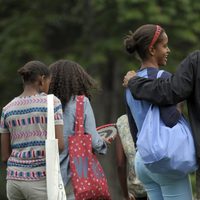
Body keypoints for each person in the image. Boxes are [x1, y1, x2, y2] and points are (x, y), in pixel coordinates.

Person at [122, 24, 193, 200]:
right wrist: (180, 101)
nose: (168, 50)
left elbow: (133, 127)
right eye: (164, 46)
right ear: (152, 49)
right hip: (164, 158)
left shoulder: (130, 83)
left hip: (143, 158)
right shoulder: (164, 78)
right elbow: (171, 119)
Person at [0, 61, 64, 200]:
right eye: (48, 81)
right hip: (40, 180)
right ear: (42, 79)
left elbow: (5, 156)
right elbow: (59, 145)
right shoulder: (53, 103)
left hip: (13, 182)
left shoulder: (7, 109)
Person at [48, 59, 110, 200]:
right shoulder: (81, 103)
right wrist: (102, 143)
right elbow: (94, 141)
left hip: (47, 176)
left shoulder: (44, 104)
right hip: (75, 177)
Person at [115, 114, 147, 200]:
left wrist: (125, 195)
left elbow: (120, 164)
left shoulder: (122, 122)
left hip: (137, 189)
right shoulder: (153, 113)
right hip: (159, 183)